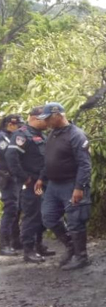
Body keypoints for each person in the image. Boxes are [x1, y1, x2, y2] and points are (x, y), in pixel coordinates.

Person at [34, 102, 92, 270]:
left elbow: (85, 165)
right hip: (53, 185)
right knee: (48, 217)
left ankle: (81, 257)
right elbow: (49, 160)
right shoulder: (53, 134)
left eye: (48, 119)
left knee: (75, 221)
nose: (45, 122)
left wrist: (79, 187)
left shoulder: (76, 135)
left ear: (58, 115)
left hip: (71, 184)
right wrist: (41, 178)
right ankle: (71, 247)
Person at [6, 106, 55, 263]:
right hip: (32, 183)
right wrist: (24, 178)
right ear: (34, 118)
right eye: (44, 119)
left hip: (44, 182)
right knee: (32, 214)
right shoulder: (22, 135)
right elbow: (11, 157)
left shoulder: (42, 135)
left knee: (43, 214)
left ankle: (38, 245)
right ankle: (28, 250)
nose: (47, 122)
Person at [0, 114, 25, 256]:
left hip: (14, 178)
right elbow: (8, 156)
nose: (21, 129)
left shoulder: (10, 137)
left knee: (17, 208)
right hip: (7, 178)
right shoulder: (2, 137)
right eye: (19, 126)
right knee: (11, 208)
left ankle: (15, 240)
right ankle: (3, 244)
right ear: (10, 124)